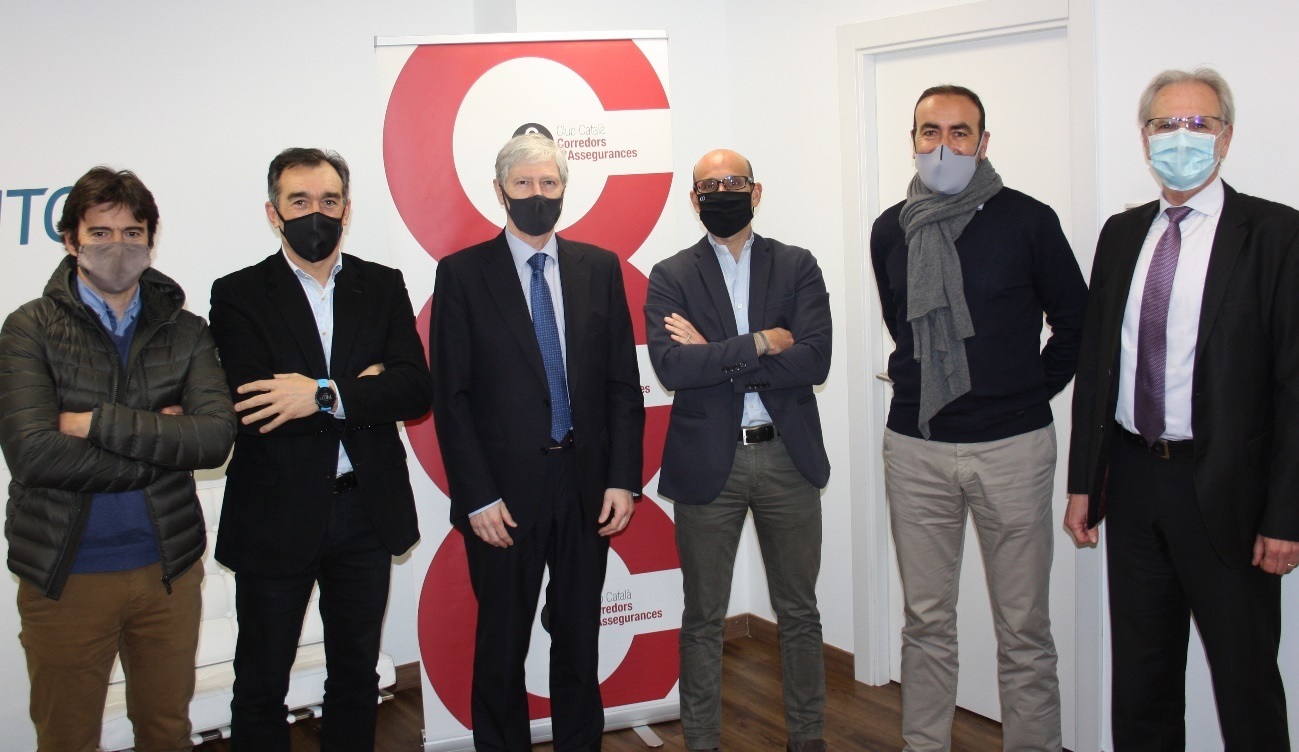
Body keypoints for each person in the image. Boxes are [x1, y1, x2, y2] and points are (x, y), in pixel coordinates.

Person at [1067, 68, 1298, 749]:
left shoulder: (1276, 234)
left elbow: (1294, 385)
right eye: (1166, 123)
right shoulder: (1120, 234)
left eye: (1198, 124)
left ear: (1225, 137)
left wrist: (1285, 516)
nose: (1181, 138)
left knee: (1246, 683)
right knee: (1142, 680)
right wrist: (1084, 482)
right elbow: (1096, 368)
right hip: (1134, 479)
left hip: (1229, 490)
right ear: (1144, 137)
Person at [870, 85, 1086, 751]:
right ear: (912, 141)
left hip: (1012, 449)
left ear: (983, 143)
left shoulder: (1029, 221)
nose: (944, 146)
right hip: (916, 447)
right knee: (925, 621)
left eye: (959, 132)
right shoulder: (890, 228)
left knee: (1024, 627)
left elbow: (1076, 324)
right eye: (929, 132)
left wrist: (1024, 392)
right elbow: (902, 326)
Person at [0, 167, 235, 751]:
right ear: (71, 240)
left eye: (133, 233)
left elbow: (212, 440)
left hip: (168, 570)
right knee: (67, 738)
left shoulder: (186, 331)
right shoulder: (29, 329)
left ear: (151, 239)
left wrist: (93, 424)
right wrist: (163, 437)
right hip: (67, 574)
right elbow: (34, 455)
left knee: (167, 733)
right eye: (100, 233)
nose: (118, 247)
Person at [208, 147, 433, 751]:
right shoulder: (238, 293)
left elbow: (414, 389)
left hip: (364, 509)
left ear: (347, 210)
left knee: (356, 676)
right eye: (300, 201)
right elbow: (257, 406)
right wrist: (364, 389)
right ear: (274, 212)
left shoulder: (381, 284)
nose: (317, 213)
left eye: (329, 201)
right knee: (261, 682)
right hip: (275, 512)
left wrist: (320, 394)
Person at [429, 133, 644, 752]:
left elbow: (622, 385)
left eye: (548, 183)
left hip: (586, 487)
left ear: (564, 189)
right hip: (502, 498)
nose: (537, 194)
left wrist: (623, 479)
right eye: (523, 183)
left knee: (579, 638)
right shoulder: (462, 274)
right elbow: (452, 399)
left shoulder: (600, 268)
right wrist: (476, 496)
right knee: (502, 645)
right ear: (500, 192)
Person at [645, 148, 832, 752]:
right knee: (703, 618)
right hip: (708, 464)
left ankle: (808, 741)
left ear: (756, 191)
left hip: (787, 460)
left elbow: (814, 360)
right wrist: (760, 342)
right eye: (709, 185)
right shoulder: (671, 275)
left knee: (799, 614)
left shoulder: (797, 265)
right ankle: (702, 742)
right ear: (693, 198)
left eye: (733, 181)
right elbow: (674, 368)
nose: (721, 191)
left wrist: (717, 354)